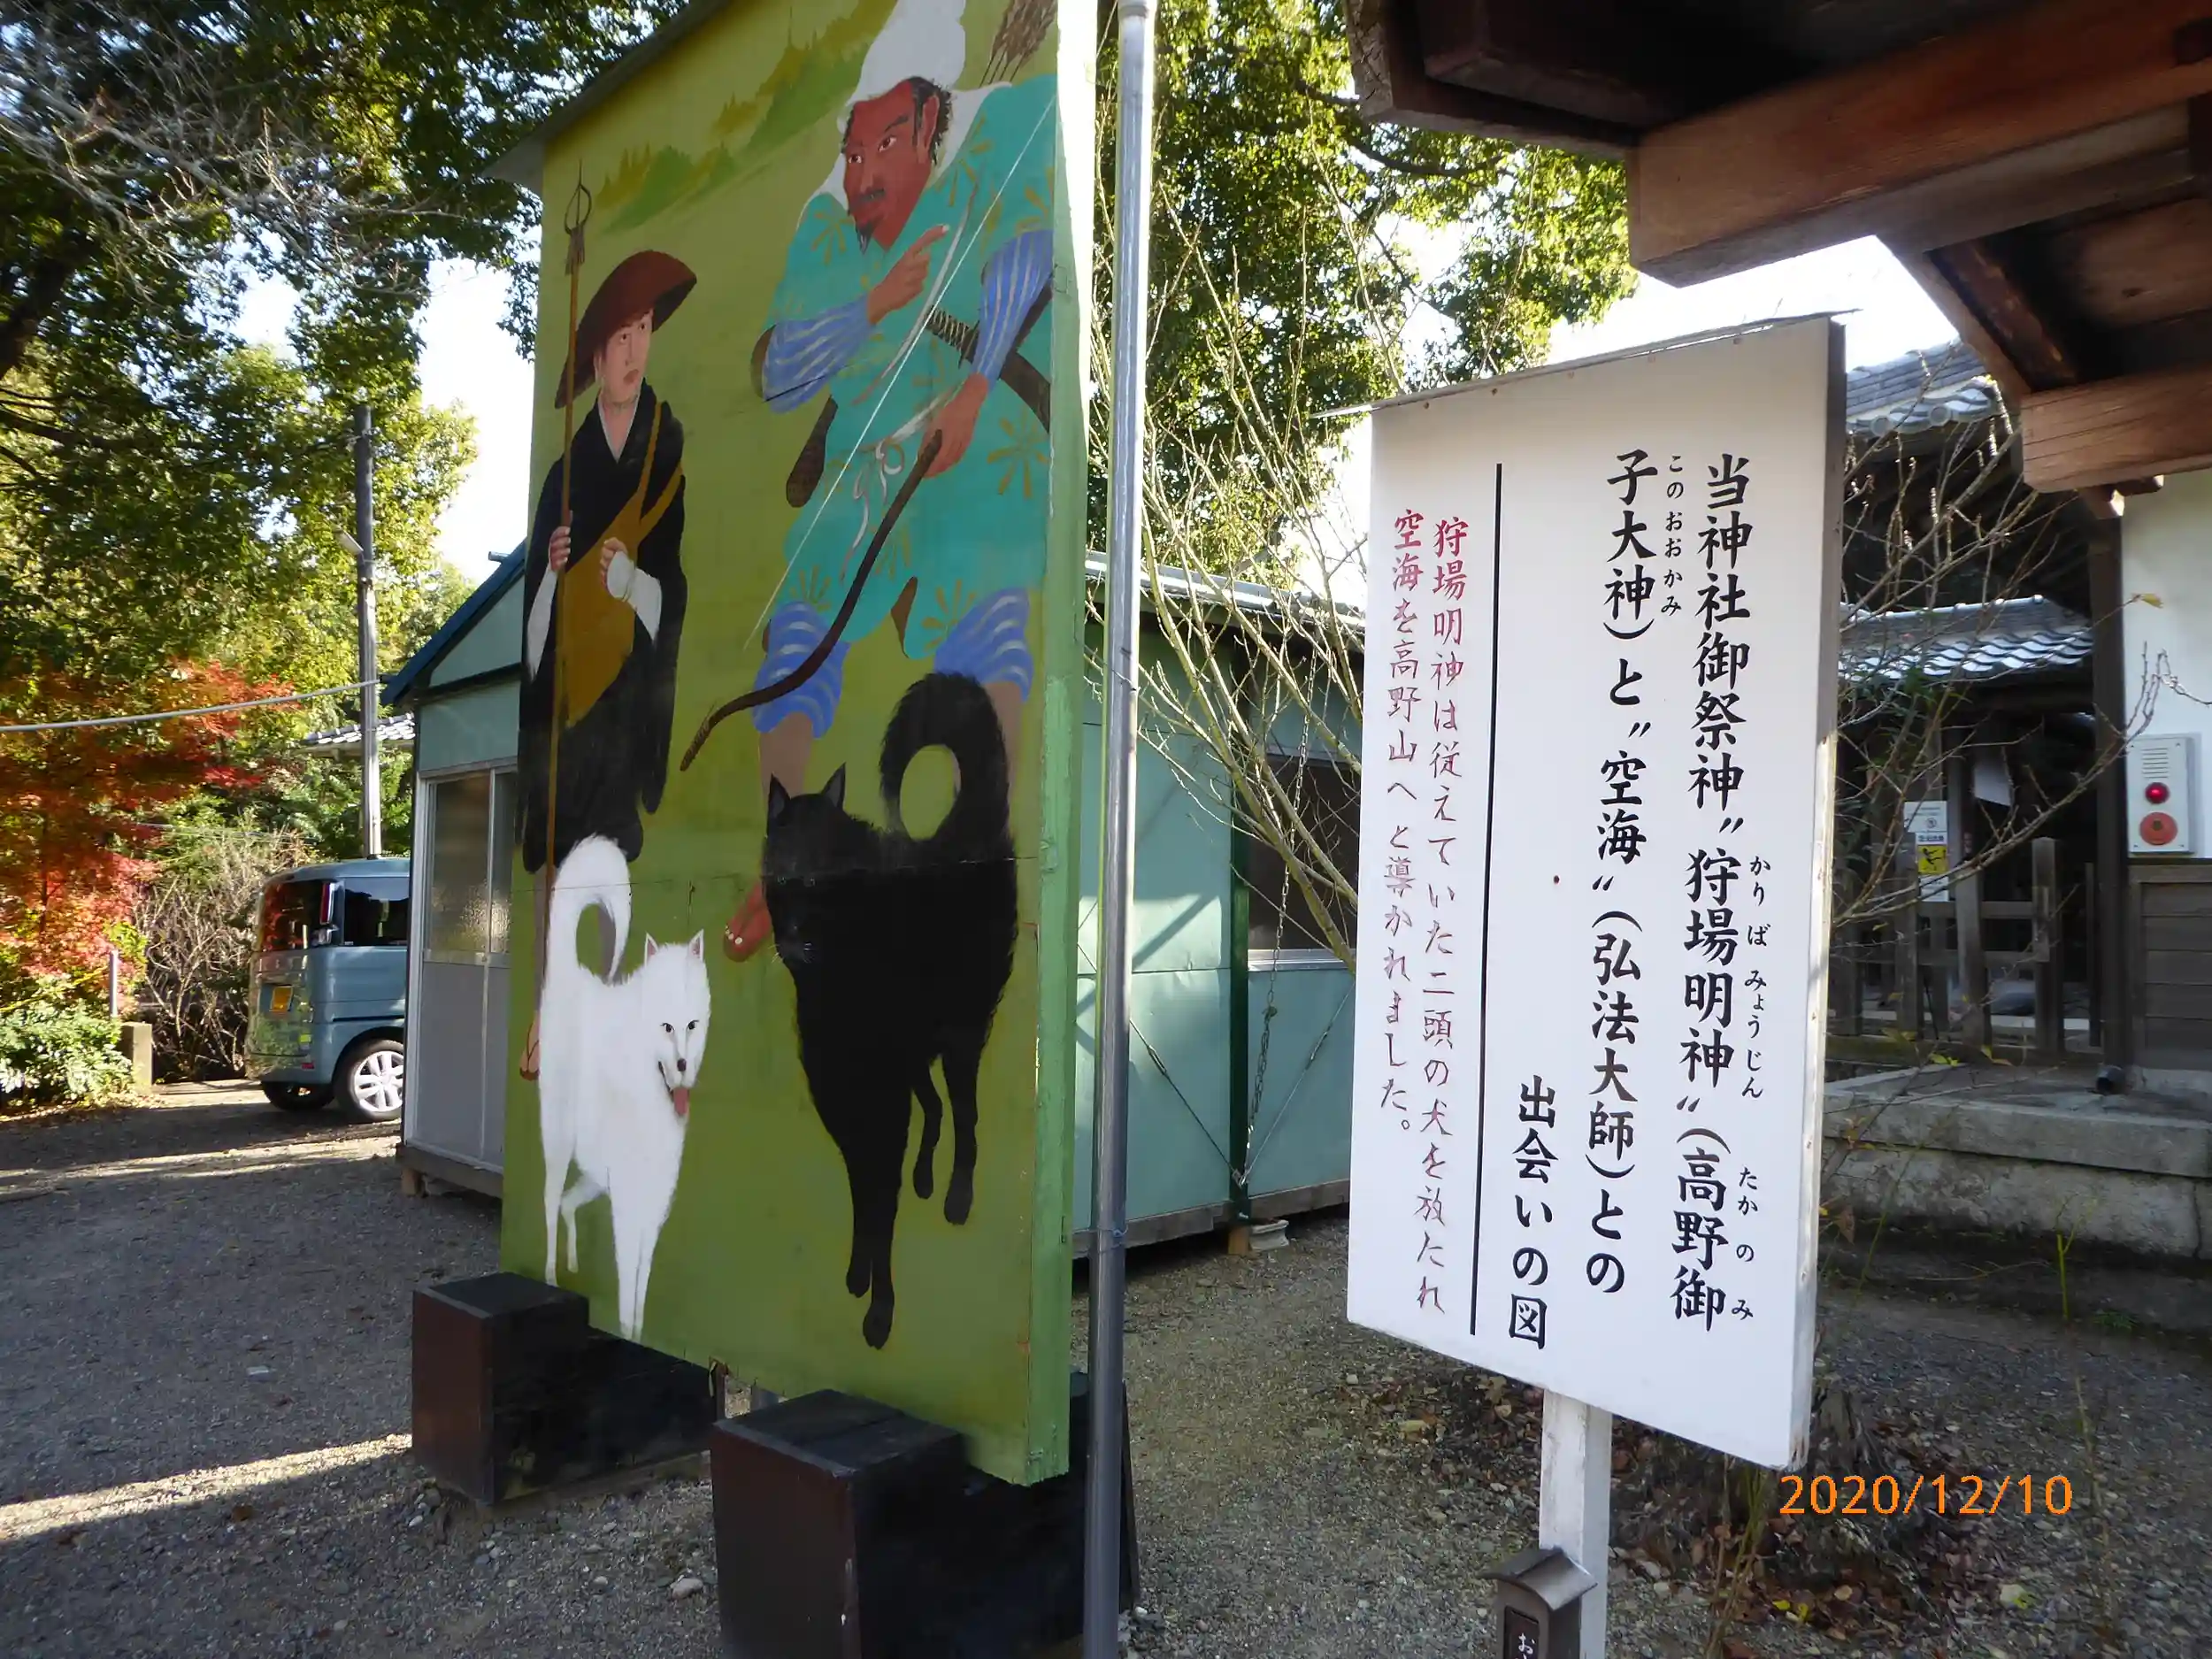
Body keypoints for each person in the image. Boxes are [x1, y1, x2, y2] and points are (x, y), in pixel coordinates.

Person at [720, 0, 1056, 960]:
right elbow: (782, 372)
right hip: (863, 465)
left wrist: (975, 389)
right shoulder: (828, 228)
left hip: (971, 436)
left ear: (930, 122)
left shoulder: (998, 139)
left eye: (884, 146)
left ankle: (986, 855)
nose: (862, 173)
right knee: (802, 623)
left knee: (988, 598)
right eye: (852, 150)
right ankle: (778, 863)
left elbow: (1027, 255)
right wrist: (875, 302)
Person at [518, 250, 695, 1076]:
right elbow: (532, 633)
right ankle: (552, 1014)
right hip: (568, 710)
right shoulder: (564, 473)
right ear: (595, 355)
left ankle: (615, 1012)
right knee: (563, 865)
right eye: (620, 335)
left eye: (645, 330)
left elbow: (674, 596)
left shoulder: (667, 452)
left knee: (615, 862)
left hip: (628, 705)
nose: (634, 350)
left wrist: (632, 584)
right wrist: (556, 578)